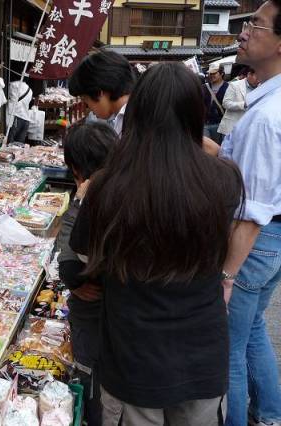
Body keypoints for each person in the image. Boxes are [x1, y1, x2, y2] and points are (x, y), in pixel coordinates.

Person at [70, 62, 244, 425]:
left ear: (139, 112)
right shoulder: (224, 180)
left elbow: (85, 257)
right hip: (202, 352)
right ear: (195, 113)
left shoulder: (107, 185)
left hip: (133, 356)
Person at [219, 0, 281, 424]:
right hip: (273, 241)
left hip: (254, 243)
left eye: (255, 25)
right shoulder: (267, 104)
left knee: (229, 349)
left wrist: (225, 276)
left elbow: (251, 210)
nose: (243, 33)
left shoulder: (265, 118)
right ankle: (271, 414)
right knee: (254, 329)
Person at [57, 122, 117, 426]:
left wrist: (79, 200)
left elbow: (70, 266)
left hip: (97, 318)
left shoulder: (98, 200)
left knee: (94, 385)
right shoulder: (128, 189)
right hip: (119, 321)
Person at [67, 50, 135, 135]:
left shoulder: (138, 121)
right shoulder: (123, 117)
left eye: (86, 101)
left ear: (98, 93)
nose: (90, 109)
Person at [217, 67, 259, 140]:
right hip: (232, 127)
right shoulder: (235, 85)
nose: (259, 80)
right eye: (257, 77)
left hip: (250, 129)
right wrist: (243, 104)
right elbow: (226, 103)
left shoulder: (261, 87)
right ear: (249, 74)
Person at [203, 63, 230, 143]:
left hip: (222, 123)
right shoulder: (204, 87)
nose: (211, 75)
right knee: (206, 148)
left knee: (219, 149)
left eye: (214, 73)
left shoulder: (229, 87)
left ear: (222, 73)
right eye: (210, 73)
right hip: (205, 123)